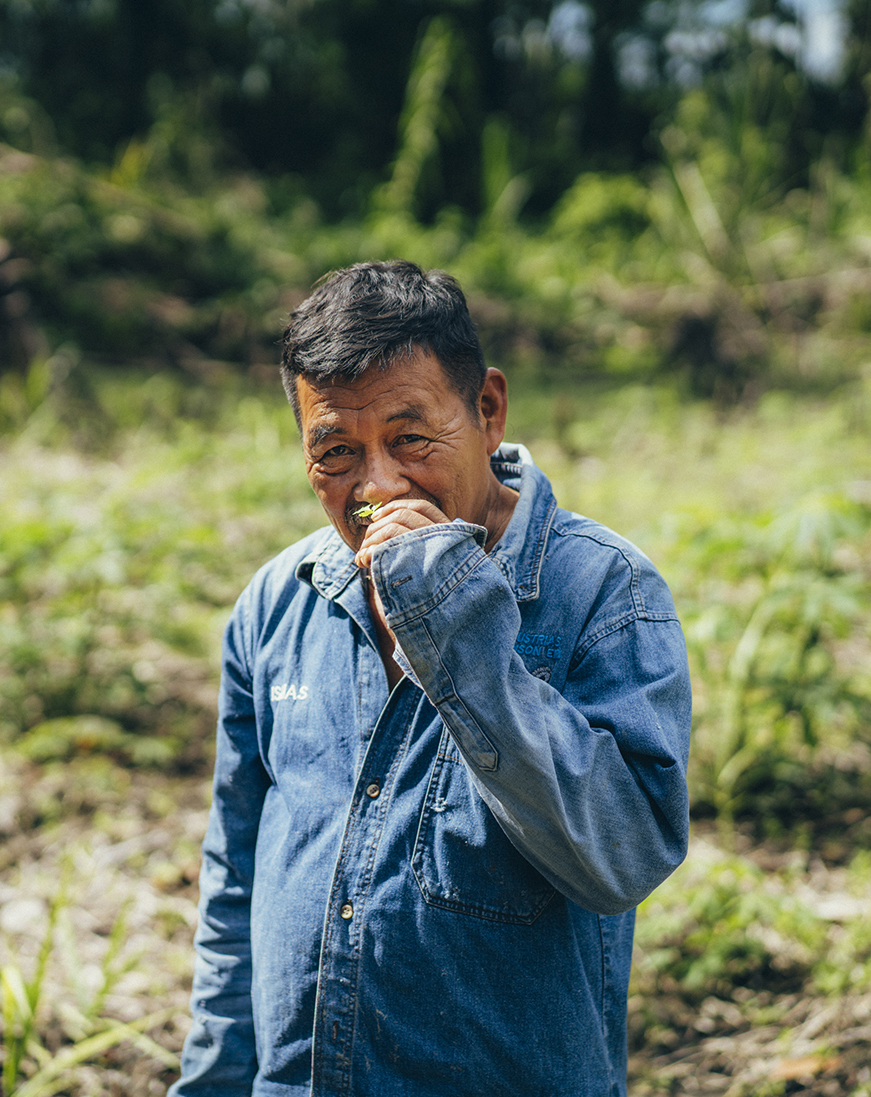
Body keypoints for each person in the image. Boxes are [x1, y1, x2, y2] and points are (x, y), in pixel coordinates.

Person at [169, 260, 691, 1097]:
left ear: (487, 410)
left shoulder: (603, 592)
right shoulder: (276, 602)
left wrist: (454, 628)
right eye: (337, 451)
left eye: (411, 437)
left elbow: (621, 857)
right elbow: (237, 878)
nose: (377, 487)